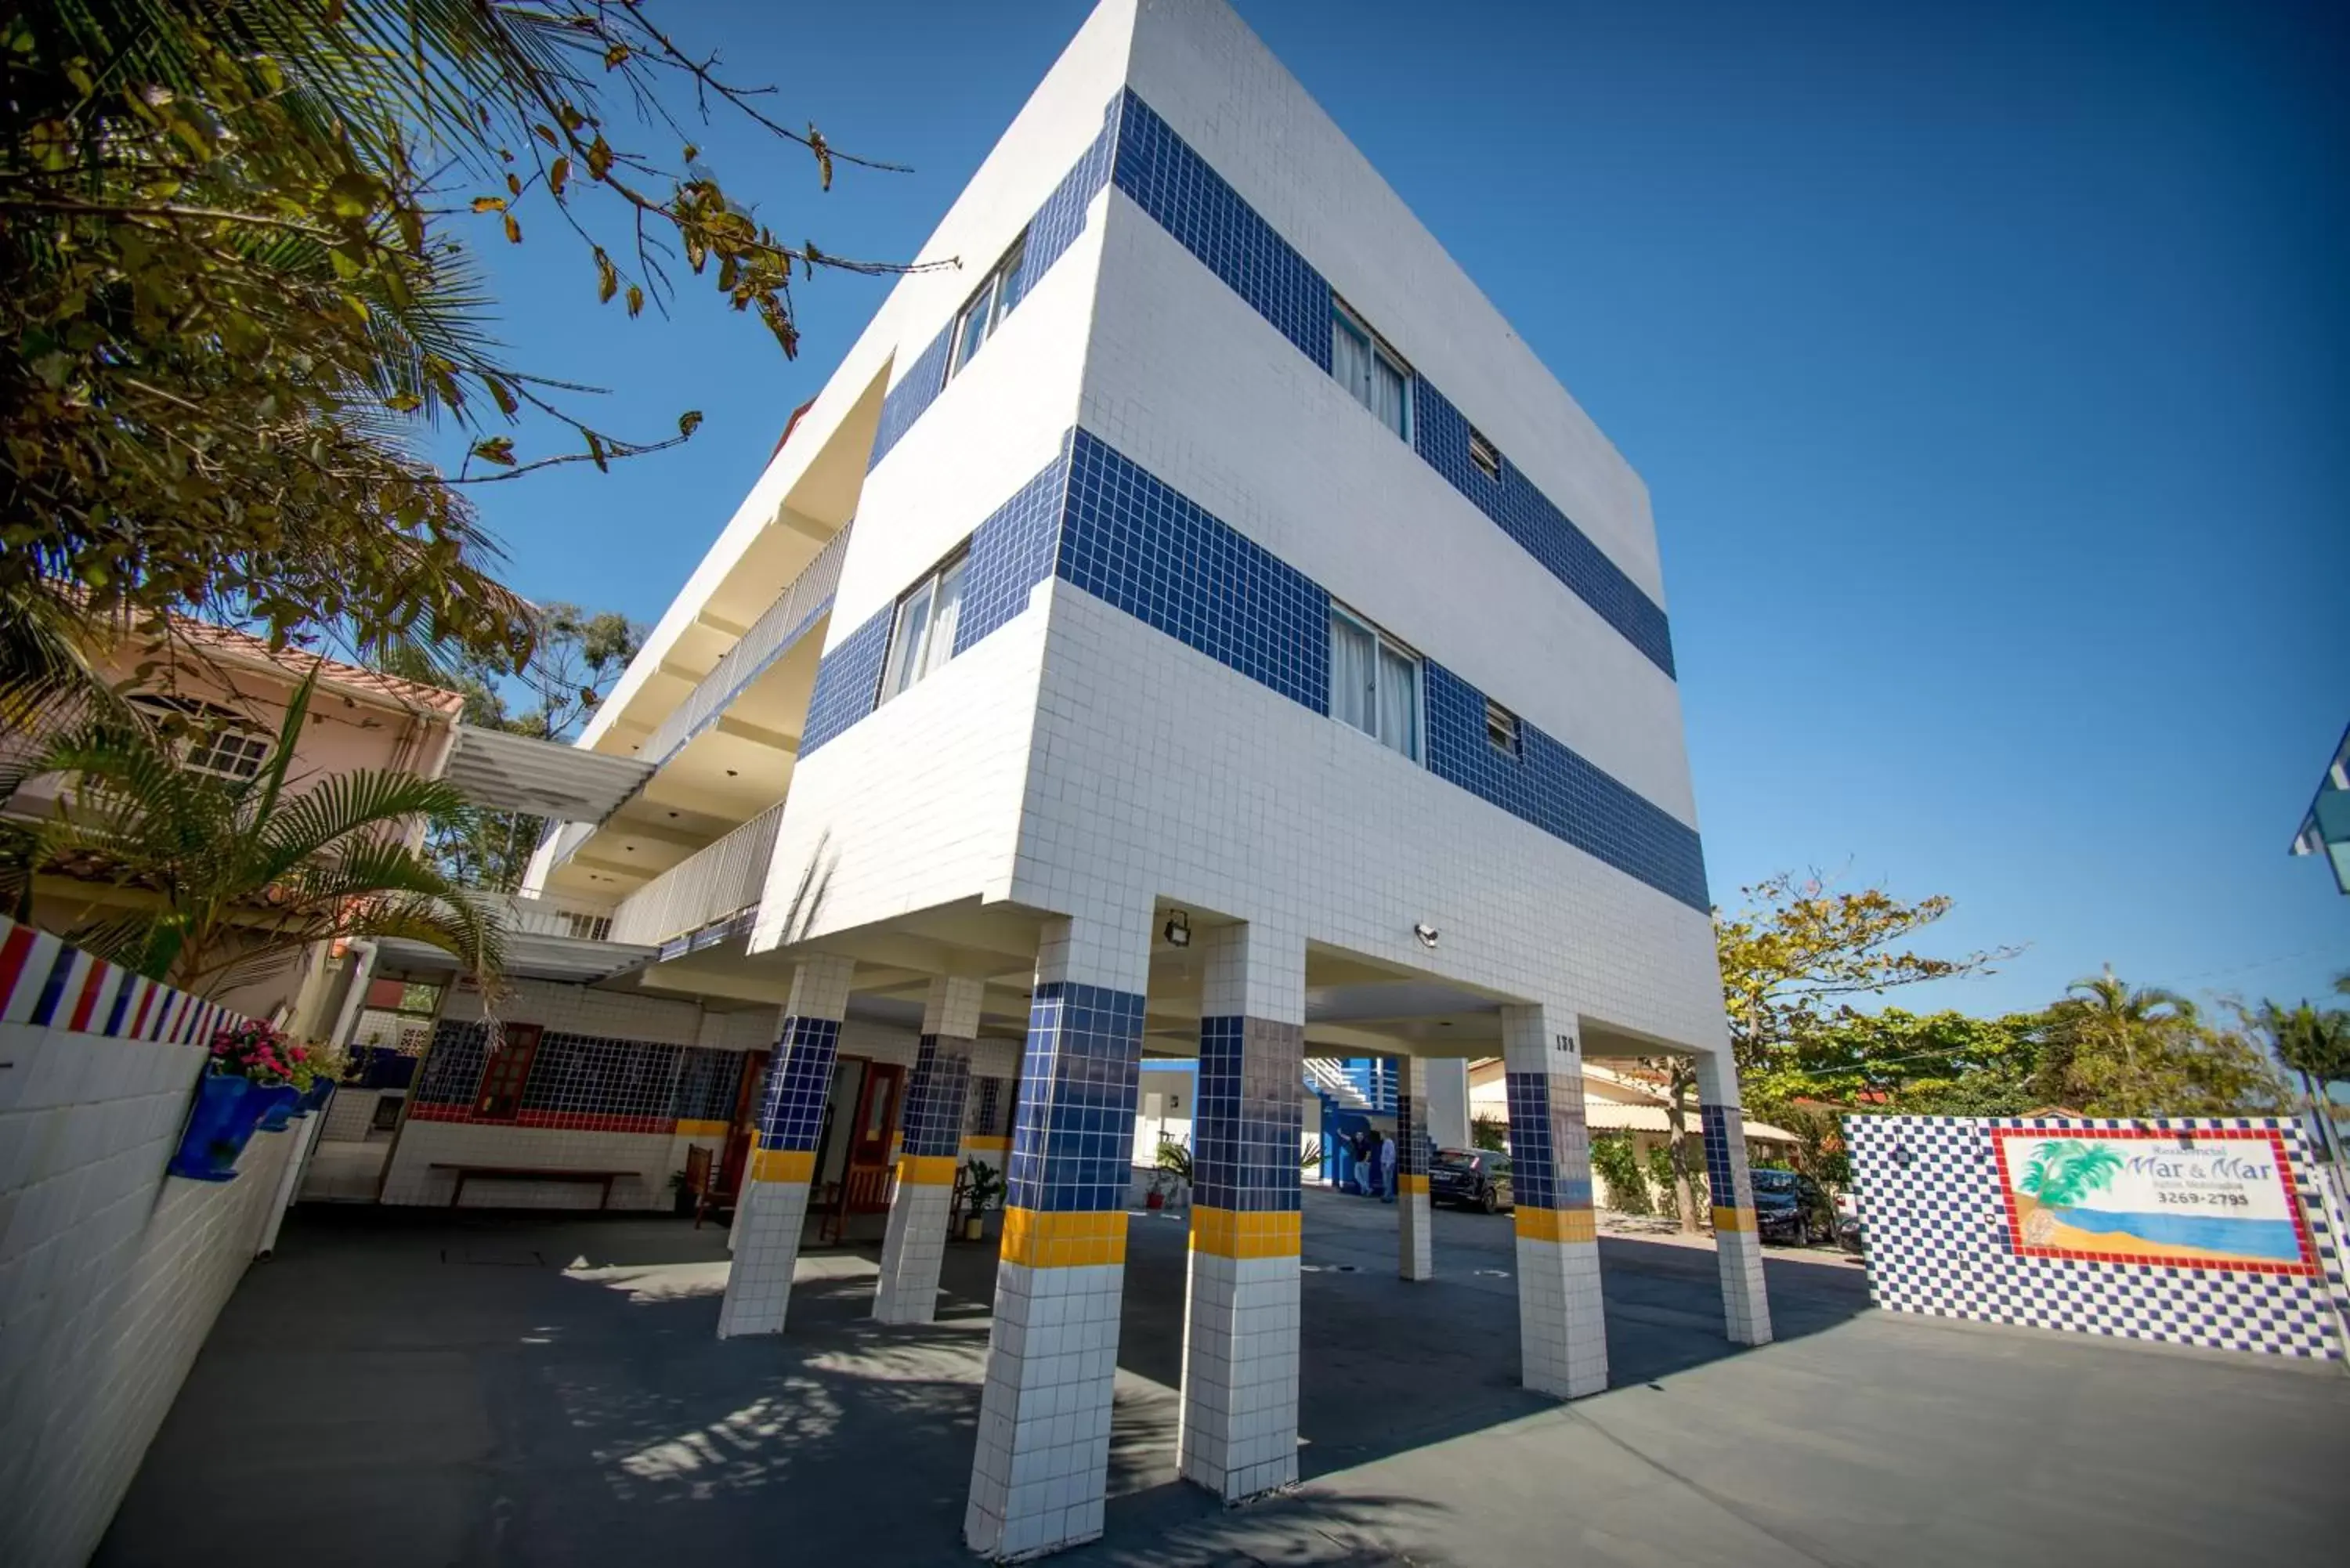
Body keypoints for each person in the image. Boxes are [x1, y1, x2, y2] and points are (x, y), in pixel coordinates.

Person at [1358, 1129, 1383, 1197]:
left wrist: (1365, 1161)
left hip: (1366, 1162)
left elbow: (1369, 1153)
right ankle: (1366, 1190)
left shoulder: (1368, 1143)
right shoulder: (1377, 1144)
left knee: (1364, 1178)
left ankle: (1365, 1191)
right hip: (1369, 1162)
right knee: (1364, 1178)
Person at [1379, 1128, 1398, 1203]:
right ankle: (1386, 1195)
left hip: (1388, 1164)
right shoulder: (1385, 1142)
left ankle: (1388, 1197)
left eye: (1381, 1134)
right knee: (1386, 1181)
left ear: (1385, 1134)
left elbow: (1392, 1154)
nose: (1380, 1136)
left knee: (1387, 1181)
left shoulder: (1389, 1142)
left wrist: (1388, 1164)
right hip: (1384, 1163)